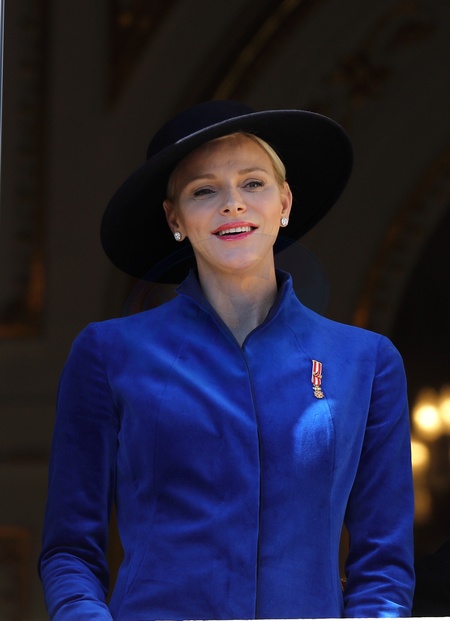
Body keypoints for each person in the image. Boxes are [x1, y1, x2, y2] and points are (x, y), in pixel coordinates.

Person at [38, 99, 415, 620]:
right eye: (204, 190)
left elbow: (384, 566)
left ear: (285, 202)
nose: (233, 204)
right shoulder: (108, 353)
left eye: (253, 183)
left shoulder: (366, 361)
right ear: (175, 217)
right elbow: (70, 550)